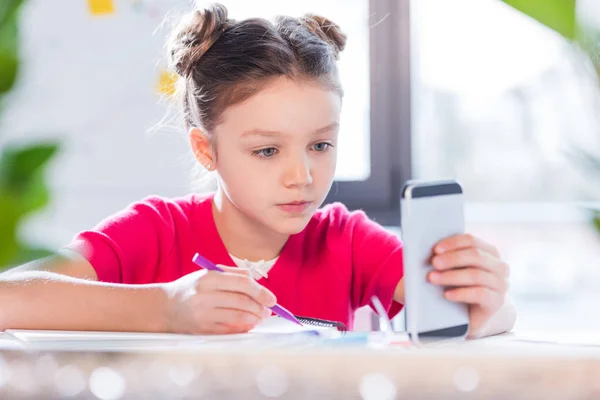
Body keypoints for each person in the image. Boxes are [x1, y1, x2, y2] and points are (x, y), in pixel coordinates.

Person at [0, 2, 515, 337]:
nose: (302, 176)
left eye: (320, 145)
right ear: (206, 150)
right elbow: (7, 299)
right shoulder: (155, 232)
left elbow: (476, 323)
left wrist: (484, 304)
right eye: (267, 151)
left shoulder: (349, 241)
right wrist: (165, 308)